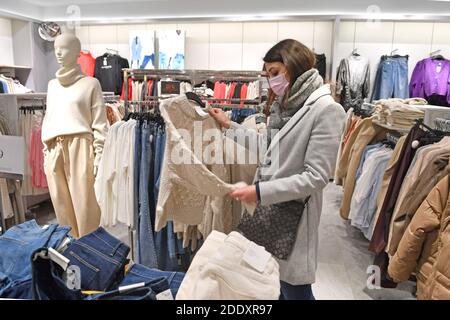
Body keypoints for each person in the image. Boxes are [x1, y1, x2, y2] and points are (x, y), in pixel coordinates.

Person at [208, 39, 346, 300]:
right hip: (272, 210)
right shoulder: (288, 106)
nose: (272, 81)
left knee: (295, 287)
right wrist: (229, 126)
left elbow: (316, 177)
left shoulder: (327, 110)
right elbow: (268, 147)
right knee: (274, 280)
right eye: (268, 74)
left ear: (292, 67)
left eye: (274, 73)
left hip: (294, 213)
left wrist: (260, 192)